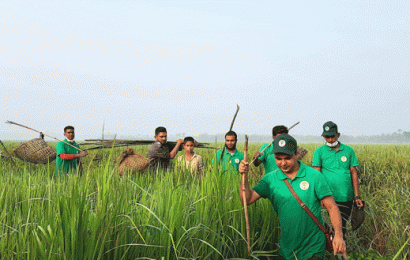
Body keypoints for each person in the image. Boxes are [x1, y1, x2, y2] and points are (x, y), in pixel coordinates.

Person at [239, 134, 346, 260]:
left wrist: (338, 235)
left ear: (296, 154)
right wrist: (244, 177)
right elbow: (247, 199)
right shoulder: (270, 180)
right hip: (287, 249)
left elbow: (332, 207)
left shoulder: (314, 176)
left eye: (287, 158)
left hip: (313, 247)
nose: (283, 163)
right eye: (278, 158)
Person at [312, 121, 364, 240]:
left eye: (332, 136)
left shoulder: (348, 150)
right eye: (327, 137)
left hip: (346, 196)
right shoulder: (319, 152)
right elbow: (316, 175)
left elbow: (353, 173)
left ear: (338, 135)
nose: (330, 140)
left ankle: (341, 253)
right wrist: (319, 197)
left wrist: (357, 196)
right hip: (327, 196)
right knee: (326, 227)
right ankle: (330, 251)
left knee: (342, 227)